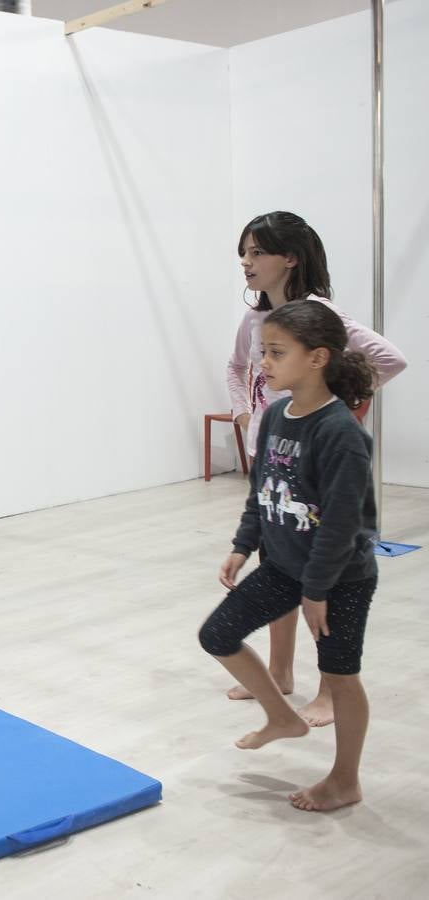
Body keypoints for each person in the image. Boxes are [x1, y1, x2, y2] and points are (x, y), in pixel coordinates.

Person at [224, 212, 406, 725]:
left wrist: (344, 408)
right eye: (244, 253)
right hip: (271, 453)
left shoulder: (319, 315)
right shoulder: (256, 318)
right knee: (276, 564)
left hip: (311, 463)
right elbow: (235, 367)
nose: (246, 262)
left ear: (290, 258)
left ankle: (331, 689)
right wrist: (243, 413)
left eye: (257, 252)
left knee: (326, 573)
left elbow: (388, 359)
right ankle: (280, 672)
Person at [199, 300, 379, 813]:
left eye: (277, 353)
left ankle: (345, 779)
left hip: (339, 578)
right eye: (263, 352)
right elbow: (262, 491)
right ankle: (282, 717)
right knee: (217, 634)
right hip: (281, 565)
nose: (264, 364)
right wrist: (241, 545)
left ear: (318, 358)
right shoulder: (276, 414)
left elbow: (343, 524)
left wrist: (316, 591)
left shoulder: (341, 433)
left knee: (340, 673)